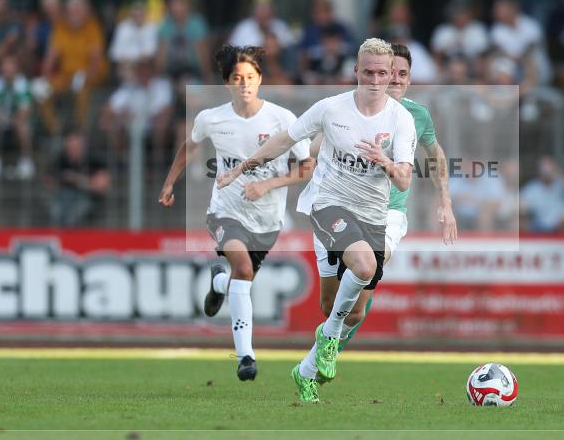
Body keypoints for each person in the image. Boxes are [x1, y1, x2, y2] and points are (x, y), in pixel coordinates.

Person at [216, 38, 416, 403]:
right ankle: (328, 338)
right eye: (367, 72)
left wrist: (385, 162)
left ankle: (306, 369)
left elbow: (404, 179)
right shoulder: (331, 109)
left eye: (381, 73)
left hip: (372, 214)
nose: (374, 80)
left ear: (390, 76)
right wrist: (244, 168)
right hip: (329, 204)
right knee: (365, 266)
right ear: (355, 71)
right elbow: (284, 140)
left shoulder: (401, 119)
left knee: (345, 310)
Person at [158, 45, 313, 381]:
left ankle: (218, 282)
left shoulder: (282, 119)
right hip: (225, 211)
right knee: (243, 268)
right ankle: (246, 356)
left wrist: (269, 185)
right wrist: (170, 182)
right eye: (237, 78)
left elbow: (307, 167)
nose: (244, 84)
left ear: (260, 80)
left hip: (268, 221)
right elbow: (190, 146)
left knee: (241, 276)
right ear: (227, 83)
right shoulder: (211, 118)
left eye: (251, 77)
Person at [305, 42, 458, 359]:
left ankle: (326, 350)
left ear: (409, 78)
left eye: (404, 74)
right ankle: (328, 337)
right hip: (343, 207)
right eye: (393, 74)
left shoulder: (416, 115)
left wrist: (446, 200)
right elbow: (315, 148)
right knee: (329, 306)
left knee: (365, 283)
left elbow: (436, 154)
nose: (397, 80)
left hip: (389, 213)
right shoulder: (352, 111)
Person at [38, 0, 107, 133]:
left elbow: (96, 61)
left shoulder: (93, 27)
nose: (74, 15)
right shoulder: (60, 27)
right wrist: (46, 75)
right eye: (71, 11)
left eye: (78, 11)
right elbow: (51, 56)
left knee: (80, 89)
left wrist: (83, 78)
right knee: (41, 90)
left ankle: (79, 132)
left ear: (86, 12)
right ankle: (56, 131)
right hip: (66, 76)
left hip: (89, 75)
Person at [0, 55, 34, 180]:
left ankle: (25, 160)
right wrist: (2, 119)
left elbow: (25, 111)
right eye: (5, 67)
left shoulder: (23, 83)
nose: (8, 71)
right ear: (1, 69)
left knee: (23, 125)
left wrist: (14, 120)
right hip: (0, 119)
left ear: (16, 68)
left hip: (17, 120)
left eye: (11, 67)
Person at [48, 130, 110, 227]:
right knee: (55, 211)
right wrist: (60, 181)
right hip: (64, 196)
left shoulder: (94, 159)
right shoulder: (61, 159)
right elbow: (49, 181)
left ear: (82, 144)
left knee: (73, 216)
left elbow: (101, 187)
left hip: (88, 197)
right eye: (69, 145)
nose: (72, 148)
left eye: (75, 145)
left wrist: (76, 179)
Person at [519, 156, 564, 233]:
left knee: (563, 224)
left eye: (549, 166)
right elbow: (519, 208)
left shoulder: (563, 183)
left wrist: (559, 174)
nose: (546, 170)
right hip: (543, 232)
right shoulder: (531, 189)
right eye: (543, 167)